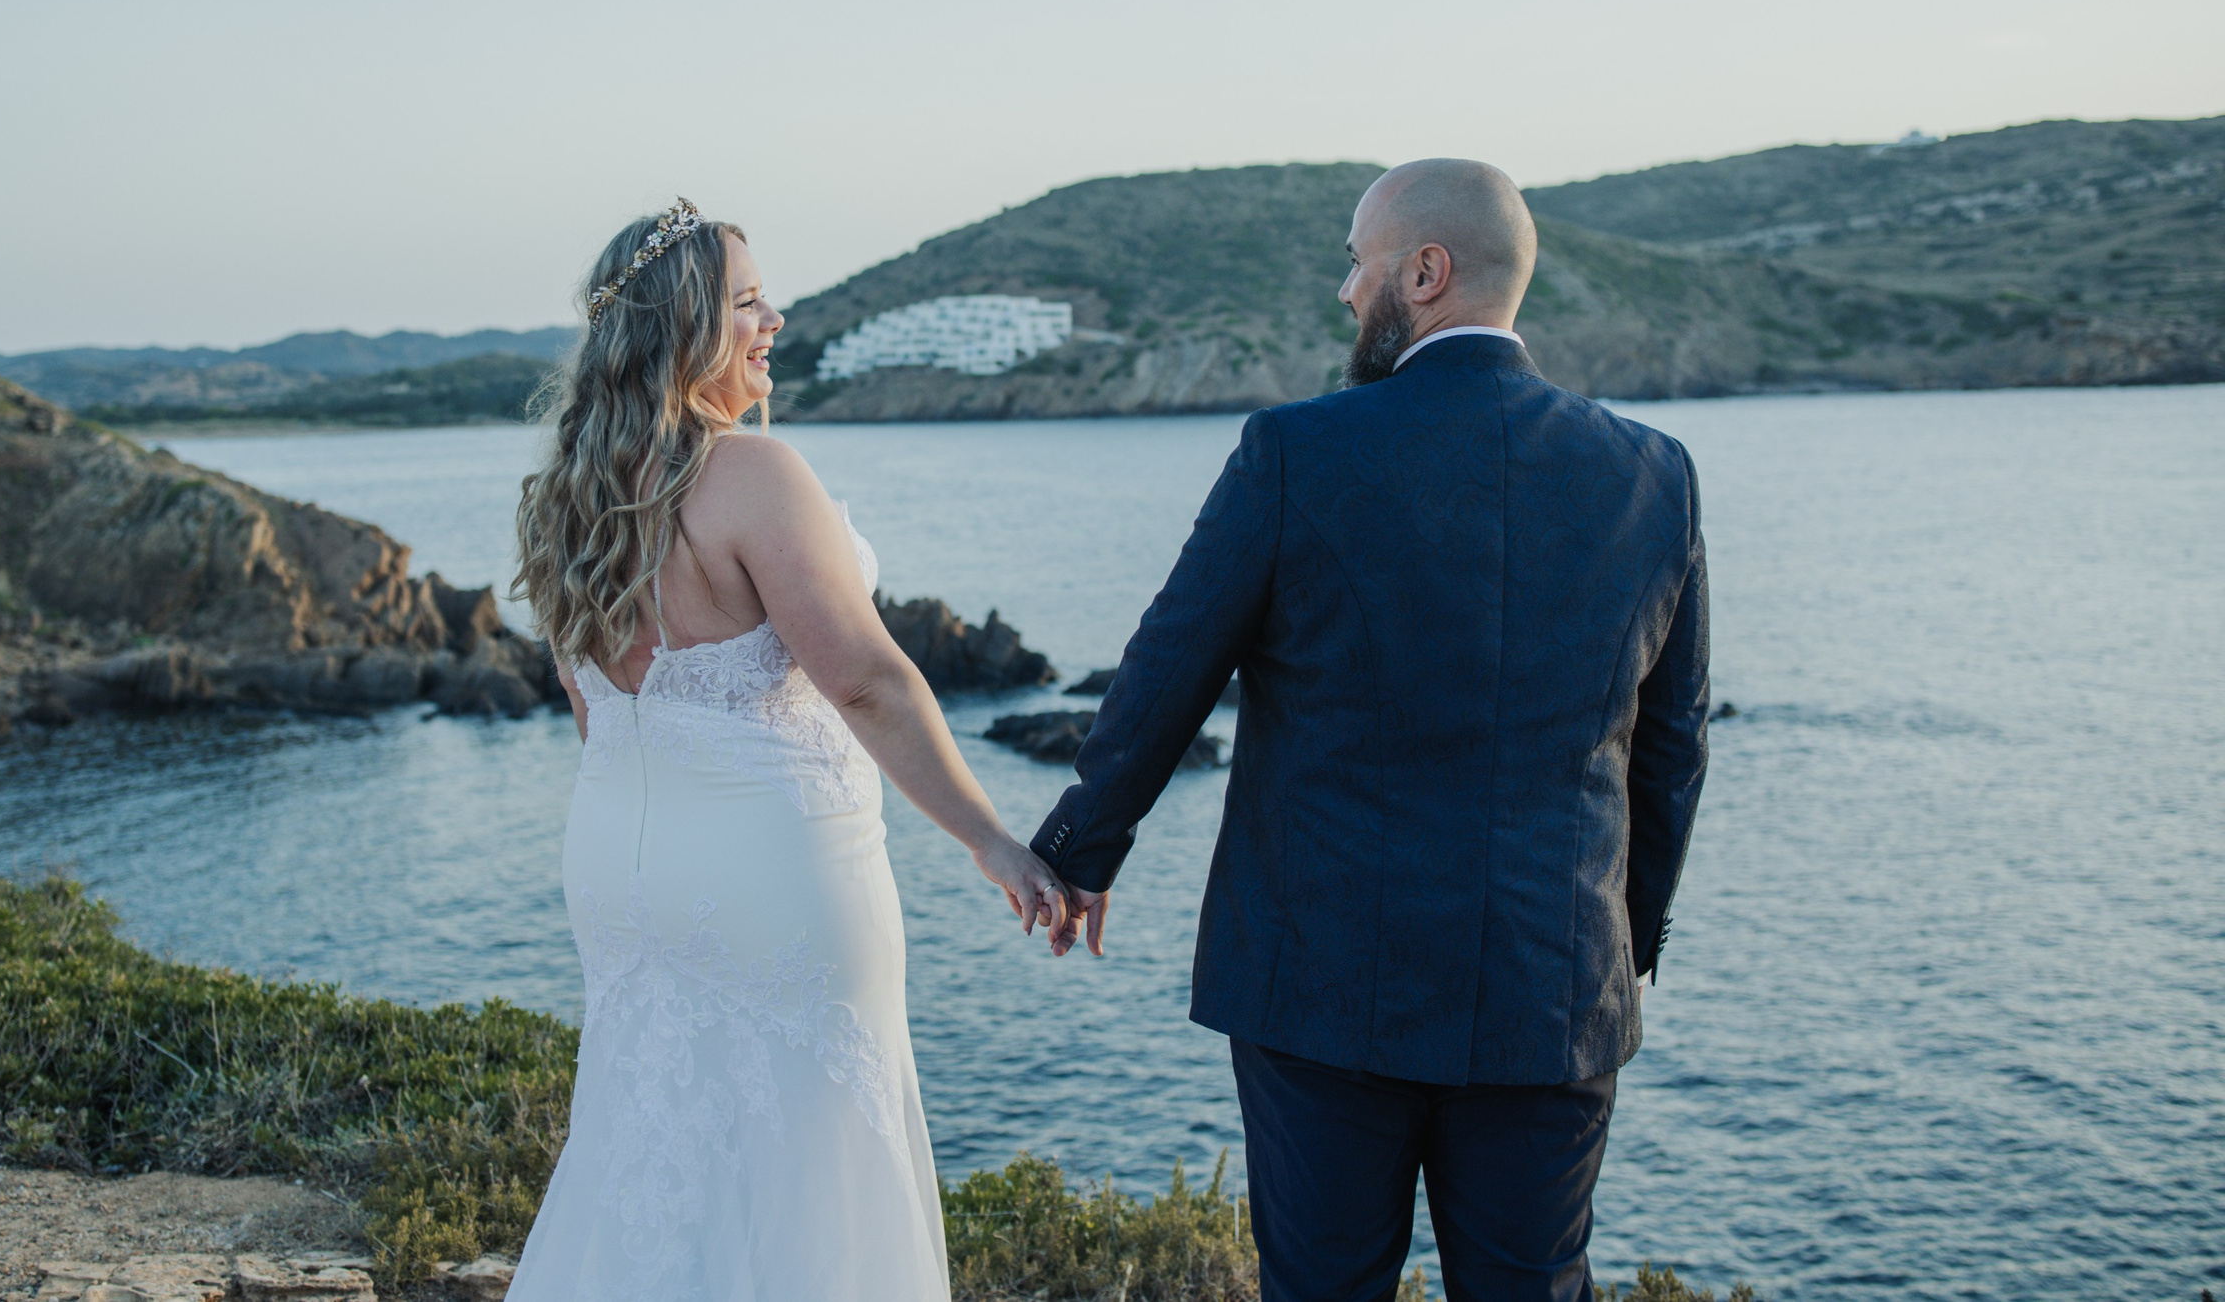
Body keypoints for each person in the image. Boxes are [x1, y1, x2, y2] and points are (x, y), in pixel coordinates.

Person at [1031, 159, 1710, 1302]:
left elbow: (1165, 676)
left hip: (1321, 986)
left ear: (1425, 272)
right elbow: (1672, 746)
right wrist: (1612, 944)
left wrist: (1079, 851)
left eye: (1358, 264)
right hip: (1553, 990)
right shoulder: (1653, 474)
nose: (1347, 291)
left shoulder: (1294, 452)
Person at [507, 198, 1072, 1302]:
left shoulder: (567, 499)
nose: (775, 320)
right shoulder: (748, 474)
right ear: (685, 329)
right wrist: (992, 840)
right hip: (772, 877)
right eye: (749, 302)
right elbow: (864, 679)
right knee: (808, 1168)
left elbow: (593, 712)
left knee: (650, 1148)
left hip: (620, 879)